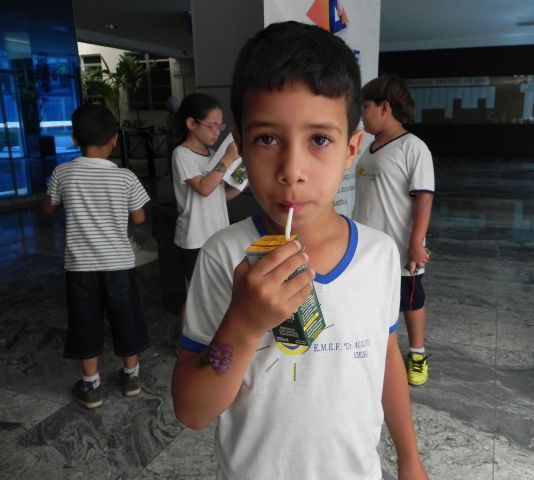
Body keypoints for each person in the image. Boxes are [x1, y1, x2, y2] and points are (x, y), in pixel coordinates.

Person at [172, 21, 430, 480]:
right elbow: (191, 411)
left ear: (351, 148)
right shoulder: (224, 256)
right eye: (267, 139)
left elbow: (386, 356)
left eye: (320, 139)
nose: (292, 170)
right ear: (240, 146)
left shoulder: (379, 255)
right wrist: (243, 325)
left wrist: (409, 459)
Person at [42, 104, 151, 409]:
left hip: (81, 267)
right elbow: (139, 217)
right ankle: (131, 377)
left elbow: (48, 208)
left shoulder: (63, 173)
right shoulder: (125, 177)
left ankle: (91, 386)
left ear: (74, 139)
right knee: (126, 316)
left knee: (85, 320)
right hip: (119, 265)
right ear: (114, 139)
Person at [352, 75, 435, 387]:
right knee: (374, 301)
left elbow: (424, 197)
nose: (362, 114)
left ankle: (417, 354)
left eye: (365, 107)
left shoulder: (413, 147)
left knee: (411, 301)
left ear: (384, 107)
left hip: (399, 248)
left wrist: (415, 243)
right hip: (368, 247)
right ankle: (380, 352)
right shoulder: (370, 148)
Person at [171, 93, 241, 286]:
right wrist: (227, 158)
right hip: (195, 239)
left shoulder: (212, 154)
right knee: (199, 292)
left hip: (218, 234)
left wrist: (241, 183)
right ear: (191, 123)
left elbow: (218, 196)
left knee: (219, 289)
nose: (217, 132)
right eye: (212, 125)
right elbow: (203, 188)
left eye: (220, 126)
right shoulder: (182, 154)